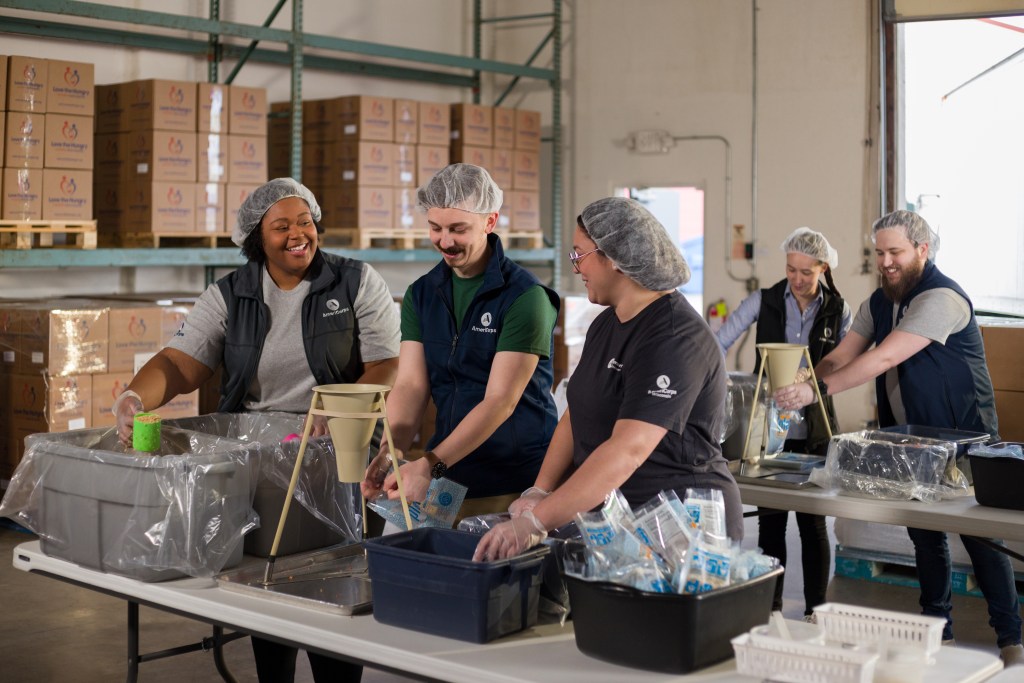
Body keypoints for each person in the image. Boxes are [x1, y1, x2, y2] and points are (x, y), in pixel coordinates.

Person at [112, 177, 401, 683]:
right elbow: (180, 364)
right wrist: (134, 398)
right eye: (282, 226)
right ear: (256, 238)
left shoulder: (356, 282)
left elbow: (385, 365)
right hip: (261, 457)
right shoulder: (232, 294)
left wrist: (338, 410)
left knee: (335, 582)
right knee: (267, 581)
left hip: (340, 447)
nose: (298, 234)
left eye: (306, 222)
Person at [774, 209, 1024, 665]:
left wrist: (816, 391)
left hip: (965, 441)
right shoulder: (879, 301)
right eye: (879, 252)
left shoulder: (942, 299)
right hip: (911, 444)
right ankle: (939, 634)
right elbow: (844, 355)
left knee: (979, 541)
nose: (886, 261)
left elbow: (884, 358)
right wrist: (800, 378)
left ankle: (1011, 641)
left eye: (895, 252)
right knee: (925, 537)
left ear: (922, 250)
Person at [474, 196, 744, 562]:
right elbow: (577, 412)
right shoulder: (606, 323)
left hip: (681, 528)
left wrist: (535, 524)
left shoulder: (674, 338)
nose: (575, 267)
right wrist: (541, 489)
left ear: (614, 257)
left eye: (579, 255)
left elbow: (627, 450)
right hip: (621, 522)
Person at [360, 163, 559, 519]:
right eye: (435, 228)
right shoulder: (422, 294)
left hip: (513, 478)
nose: (445, 242)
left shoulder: (525, 298)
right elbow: (409, 386)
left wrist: (429, 463)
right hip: (447, 470)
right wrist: (389, 453)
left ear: (490, 221)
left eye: (458, 229)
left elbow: (500, 402)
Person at [716, 227, 851, 619]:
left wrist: (814, 382)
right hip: (767, 432)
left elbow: (849, 359)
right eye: (791, 270)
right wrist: (716, 380)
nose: (796, 279)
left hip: (816, 432)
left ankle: (816, 610)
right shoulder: (766, 300)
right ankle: (771, 606)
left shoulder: (838, 309)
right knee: (772, 524)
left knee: (812, 525)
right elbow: (719, 339)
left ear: (823, 268)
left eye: (806, 272)